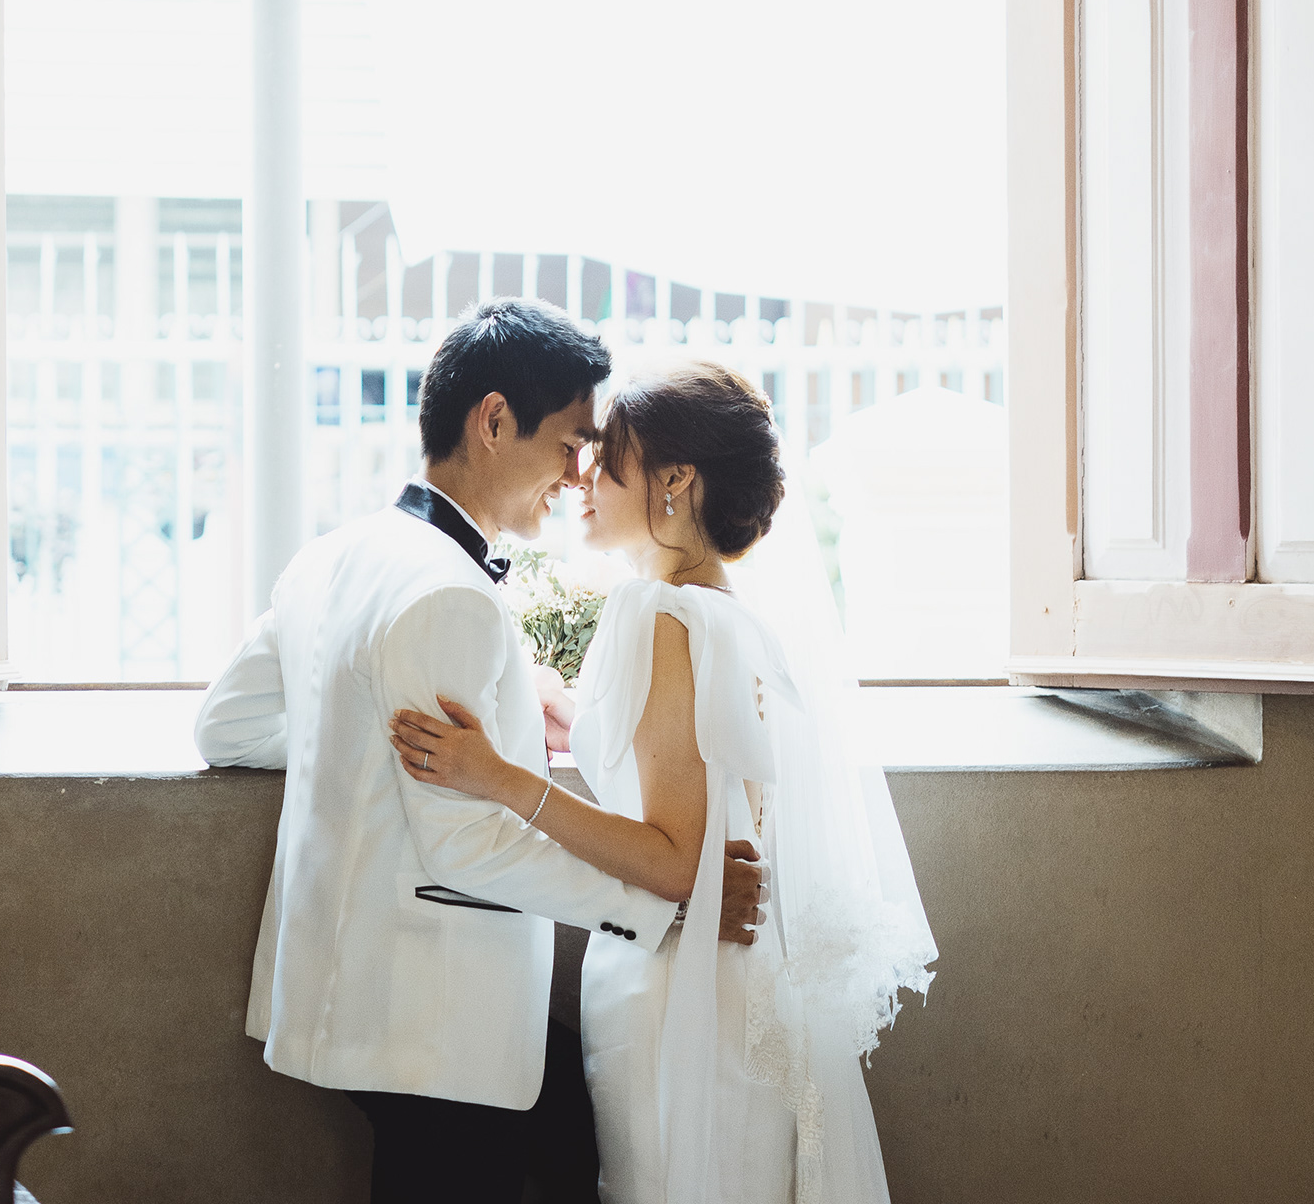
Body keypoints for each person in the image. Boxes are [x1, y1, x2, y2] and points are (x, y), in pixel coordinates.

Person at [196, 307, 769, 1204]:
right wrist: (666, 911)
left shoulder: (331, 556)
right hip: (431, 1010)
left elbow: (225, 727)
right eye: (572, 443)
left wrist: (371, 742)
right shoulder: (449, 595)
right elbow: (464, 844)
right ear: (494, 421)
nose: (580, 474)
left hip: (336, 988)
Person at [391, 360, 935, 1204]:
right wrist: (572, 715)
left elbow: (679, 860)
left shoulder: (655, 615)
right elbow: (686, 770)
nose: (581, 479)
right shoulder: (727, 610)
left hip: (680, 991)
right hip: (736, 983)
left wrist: (498, 778)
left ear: (676, 480)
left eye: (608, 463)